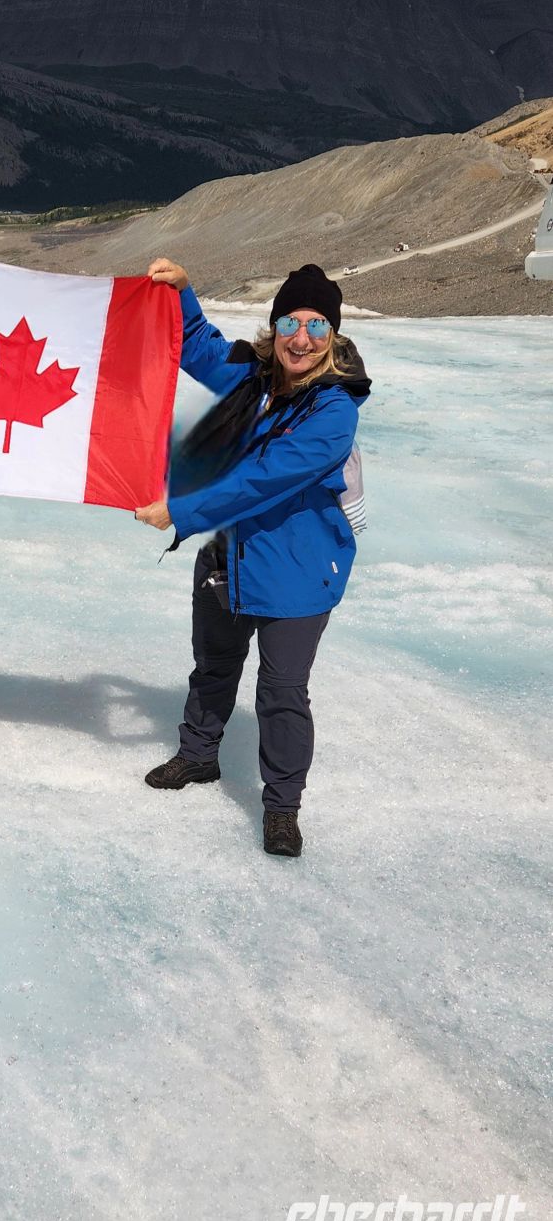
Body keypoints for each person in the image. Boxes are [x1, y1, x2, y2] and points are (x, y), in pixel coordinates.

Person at [134, 261, 371, 857]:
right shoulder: (253, 376)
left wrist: (184, 513)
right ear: (276, 325)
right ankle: (198, 757)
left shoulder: (335, 412)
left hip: (297, 571)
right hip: (228, 561)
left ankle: (282, 807)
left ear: (334, 338)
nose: (301, 338)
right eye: (291, 321)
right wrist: (184, 291)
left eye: (318, 326)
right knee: (214, 664)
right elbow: (197, 346)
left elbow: (268, 478)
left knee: (282, 690)